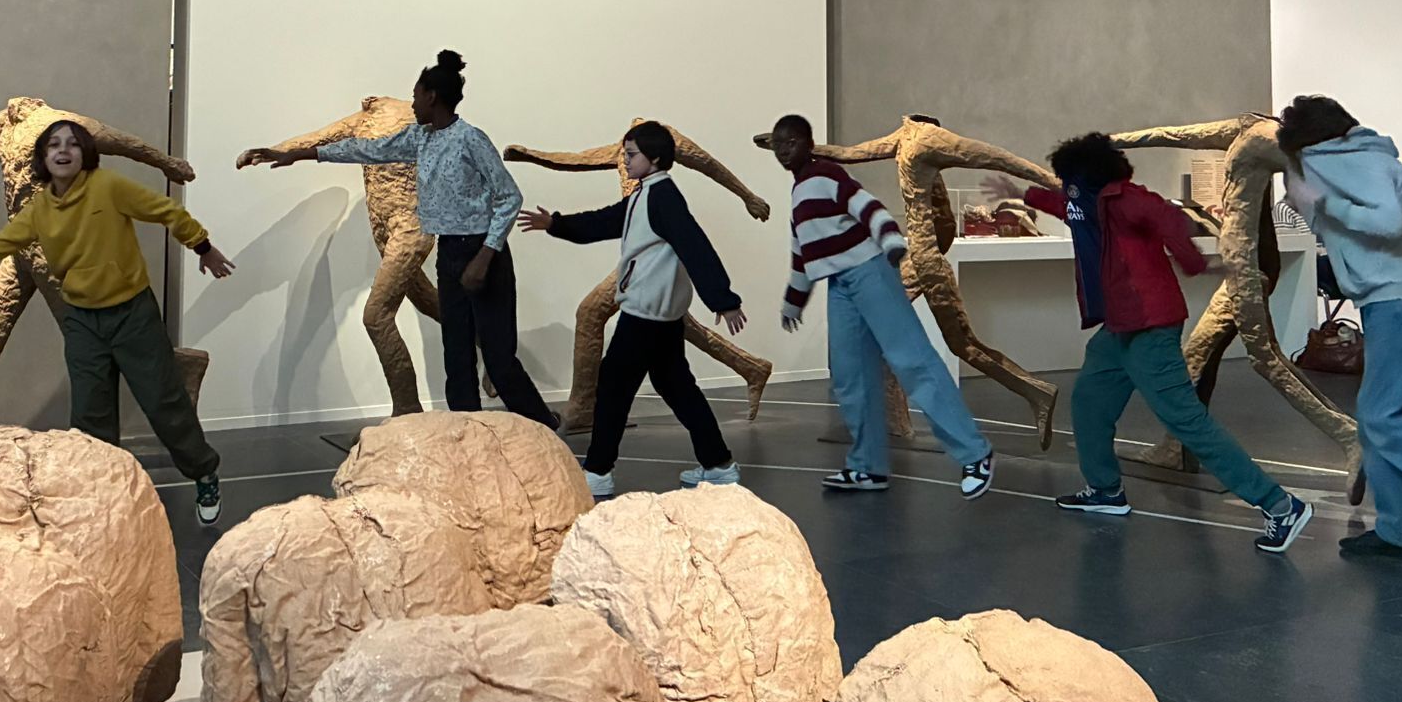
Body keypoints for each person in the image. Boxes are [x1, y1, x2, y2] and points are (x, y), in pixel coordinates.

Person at [985, 135, 1313, 554]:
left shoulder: (1129, 200)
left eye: (1068, 180)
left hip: (1151, 327)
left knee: (1186, 421)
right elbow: (1065, 207)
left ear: (1087, 177)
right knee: (1088, 403)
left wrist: (1195, 263)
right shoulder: (1088, 201)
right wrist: (1023, 195)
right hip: (1118, 327)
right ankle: (1105, 490)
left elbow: (1169, 218)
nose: (1065, 187)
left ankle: (1280, 505)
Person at [0, 119, 234, 523]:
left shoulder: (108, 187)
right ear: (43, 158)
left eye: (73, 144)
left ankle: (204, 472)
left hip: (133, 314)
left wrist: (203, 246)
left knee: (163, 402)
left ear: (85, 154)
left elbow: (166, 211)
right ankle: (101, 493)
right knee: (91, 415)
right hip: (82, 320)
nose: (63, 150)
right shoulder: (38, 211)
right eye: (53, 145)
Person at [246, 50, 556, 429]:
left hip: (483, 254)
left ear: (432, 97)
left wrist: (485, 255)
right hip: (450, 252)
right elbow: (365, 148)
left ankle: (545, 426)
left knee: (499, 360)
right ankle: (468, 436)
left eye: (416, 96)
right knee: (456, 357)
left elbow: (509, 197)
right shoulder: (420, 138)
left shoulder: (471, 139)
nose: (412, 104)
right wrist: (300, 154)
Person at [1279, 95, 1402, 564]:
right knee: (1384, 418)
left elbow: (1387, 222)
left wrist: (1321, 202)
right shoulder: (1369, 156)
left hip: (1396, 299)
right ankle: (1399, 529)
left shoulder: (1342, 162)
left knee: (1383, 415)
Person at [771, 114, 995, 498]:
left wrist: (891, 241)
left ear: (808, 143)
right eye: (778, 144)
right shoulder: (799, 193)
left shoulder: (827, 174)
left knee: (912, 359)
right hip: (839, 286)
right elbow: (802, 252)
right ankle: (867, 466)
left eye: (790, 142)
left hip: (869, 271)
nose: (783, 150)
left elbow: (868, 207)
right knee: (851, 376)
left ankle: (975, 453)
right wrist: (794, 301)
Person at [519, 120, 745, 497]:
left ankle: (598, 470)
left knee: (613, 387)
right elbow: (606, 220)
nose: (625, 161)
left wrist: (723, 299)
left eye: (632, 154)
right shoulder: (646, 194)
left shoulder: (663, 198)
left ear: (654, 158)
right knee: (676, 386)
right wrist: (555, 224)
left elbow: (695, 245)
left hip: (645, 315)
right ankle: (718, 464)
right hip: (657, 317)